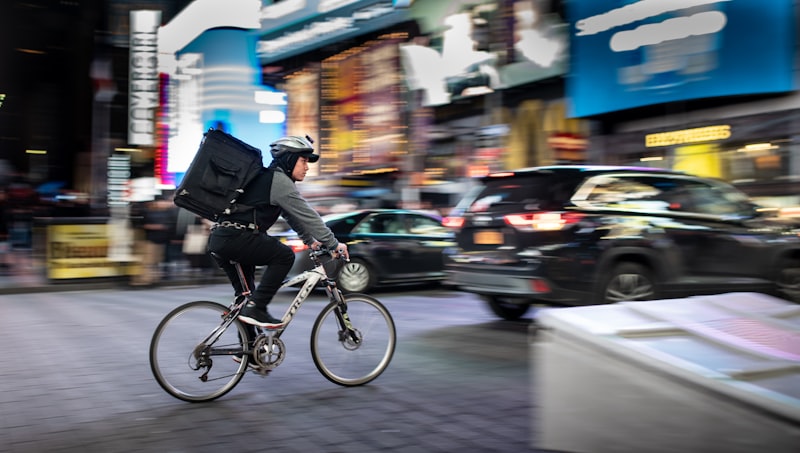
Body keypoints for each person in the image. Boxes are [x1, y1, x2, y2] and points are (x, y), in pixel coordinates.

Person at [207, 135, 349, 328]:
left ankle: (247, 353)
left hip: (222, 239)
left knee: (246, 298)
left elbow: (291, 216)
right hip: (237, 238)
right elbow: (308, 215)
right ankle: (258, 307)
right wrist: (333, 244)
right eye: (304, 161)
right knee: (284, 256)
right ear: (289, 159)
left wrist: (310, 241)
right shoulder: (279, 181)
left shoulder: (269, 179)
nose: (307, 167)